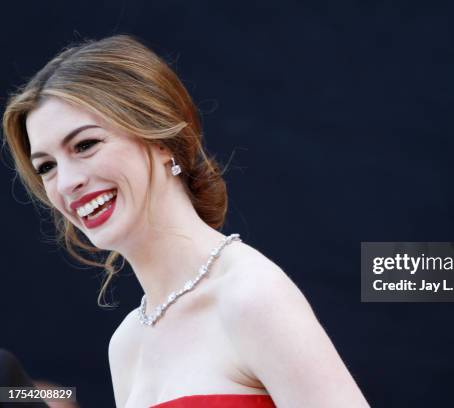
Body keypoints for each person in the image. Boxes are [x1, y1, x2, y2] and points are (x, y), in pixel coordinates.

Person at [2, 35, 370, 408]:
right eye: (46, 167)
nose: (67, 182)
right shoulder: (127, 343)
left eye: (85, 145)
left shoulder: (249, 295)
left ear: (160, 139)